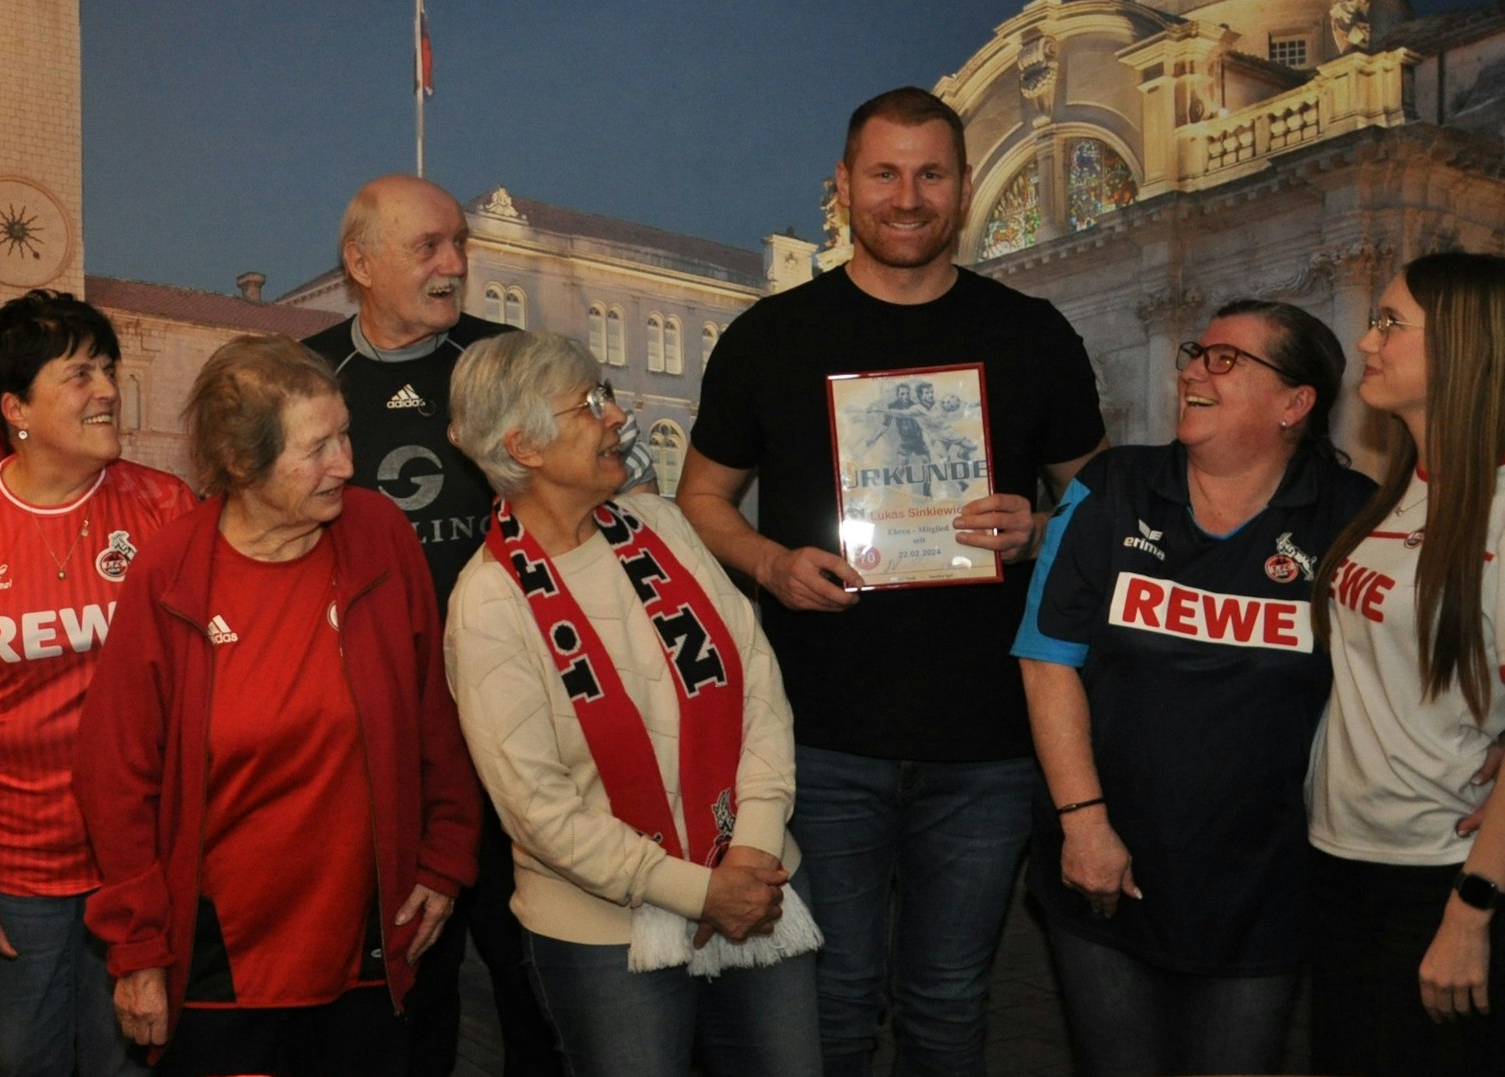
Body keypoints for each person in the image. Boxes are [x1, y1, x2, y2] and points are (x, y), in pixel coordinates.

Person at [677, 86, 1106, 1075]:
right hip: (817, 739)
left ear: (961, 188)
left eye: (929, 174)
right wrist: (770, 564)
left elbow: (1100, 505)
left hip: (987, 748)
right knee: (827, 1010)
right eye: (882, 173)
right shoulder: (769, 338)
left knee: (950, 1009)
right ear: (841, 186)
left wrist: (1039, 528)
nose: (905, 197)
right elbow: (701, 500)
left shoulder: (1031, 333)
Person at [72, 335, 481, 1077]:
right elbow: (116, 773)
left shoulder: (380, 536)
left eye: (345, 434)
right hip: (222, 960)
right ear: (241, 463)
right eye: (317, 448)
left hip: (369, 938)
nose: (348, 465)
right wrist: (136, 951)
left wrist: (446, 855)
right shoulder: (173, 573)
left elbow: (434, 712)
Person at [442, 331, 821, 1077]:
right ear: (524, 446)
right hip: (604, 935)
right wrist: (698, 889)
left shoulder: (666, 527)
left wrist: (749, 850)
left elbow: (759, 688)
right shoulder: (487, 604)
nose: (617, 416)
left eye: (606, 393)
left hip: (760, 883)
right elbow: (538, 809)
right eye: (590, 405)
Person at [1014, 300, 1374, 1075]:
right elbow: (1047, 658)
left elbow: (1412, 667)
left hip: (1265, 883)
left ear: (1294, 402)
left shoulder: (1352, 518)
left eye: (1225, 360)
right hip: (1105, 867)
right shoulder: (1114, 488)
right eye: (1195, 353)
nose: (1192, 372)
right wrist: (1084, 823)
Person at [303, 173, 574, 1076]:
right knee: (408, 969)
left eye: (459, 243)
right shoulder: (304, 380)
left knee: (532, 964)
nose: (455, 264)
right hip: (382, 732)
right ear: (360, 262)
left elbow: (596, 515)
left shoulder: (515, 364)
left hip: (521, 716)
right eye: (428, 247)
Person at [0, 291, 194, 1076]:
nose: (105, 389)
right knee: (25, 1059)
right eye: (79, 373)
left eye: (108, 368)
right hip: (19, 869)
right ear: (16, 407)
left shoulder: (164, 509)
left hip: (143, 863)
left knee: (135, 1058)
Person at [1306, 251, 1505, 1075]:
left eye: (1392, 322)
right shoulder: (1403, 486)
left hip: (1439, 882)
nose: (1367, 339)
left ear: (1462, 344)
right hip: (1340, 858)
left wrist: (1472, 910)